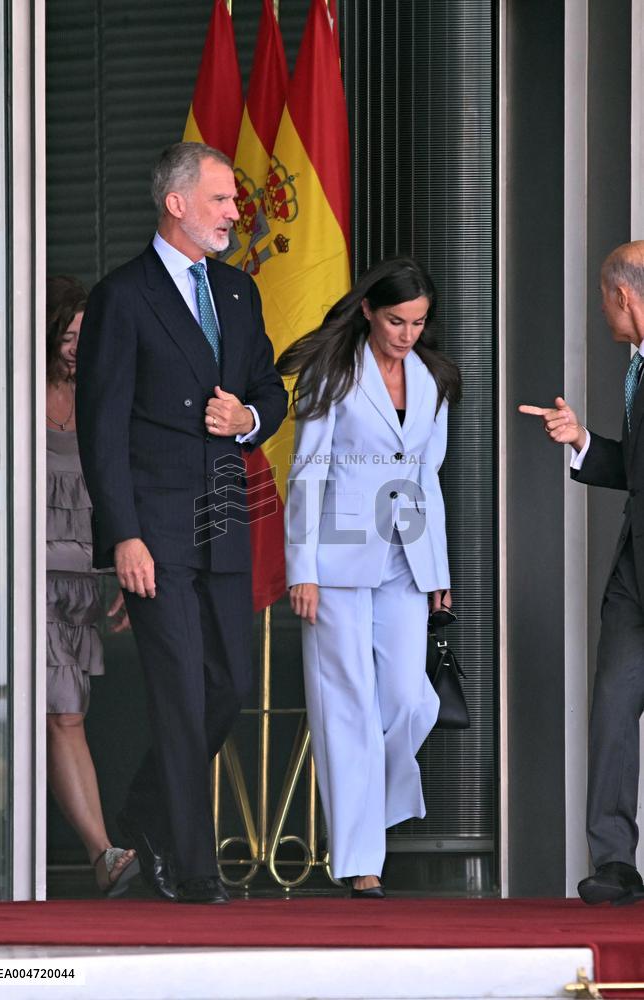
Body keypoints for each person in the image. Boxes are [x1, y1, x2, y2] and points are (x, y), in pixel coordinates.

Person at [75, 142, 288, 905]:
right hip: (156, 530)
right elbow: (101, 428)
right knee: (179, 694)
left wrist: (249, 416)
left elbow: (269, 386)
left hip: (223, 518)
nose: (237, 212)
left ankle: (145, 812)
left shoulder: (237, 291)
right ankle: (196, 869)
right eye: (224, 200)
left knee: (228, 681)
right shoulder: (122, 296)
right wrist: (123, 534)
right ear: (177, 204)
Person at [279, 257, 461, 896]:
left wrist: (437, 568)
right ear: (367, 311)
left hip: (407, 556)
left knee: (411, 700)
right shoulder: (332, 370)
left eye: (418, 321)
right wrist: (301, 567)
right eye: (395, 320)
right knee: (346, 705)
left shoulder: (433, 378)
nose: (407, 333)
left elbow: (427, 480)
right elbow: (306, 472)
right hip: (336, 557)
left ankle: (370, 810)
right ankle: (362, 863)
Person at [520, 240, 644, 905]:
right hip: (633, 578)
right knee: (613, 710)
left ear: (623, 295)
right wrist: (582, 442)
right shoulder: (639, 369)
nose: (601, 310)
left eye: (603, 296)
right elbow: (638, 468)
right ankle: (616, 864)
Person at [46, 275, 138, 897]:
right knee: (58, 717)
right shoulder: (9, 395)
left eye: (88, 335)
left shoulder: (106, 401)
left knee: (68, 717)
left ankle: (101, 856)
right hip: (20, 577)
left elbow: (122, 499)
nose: (79, 347)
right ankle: (103, 852)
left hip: (82, 583)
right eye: (69, 335)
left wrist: (126, 578)